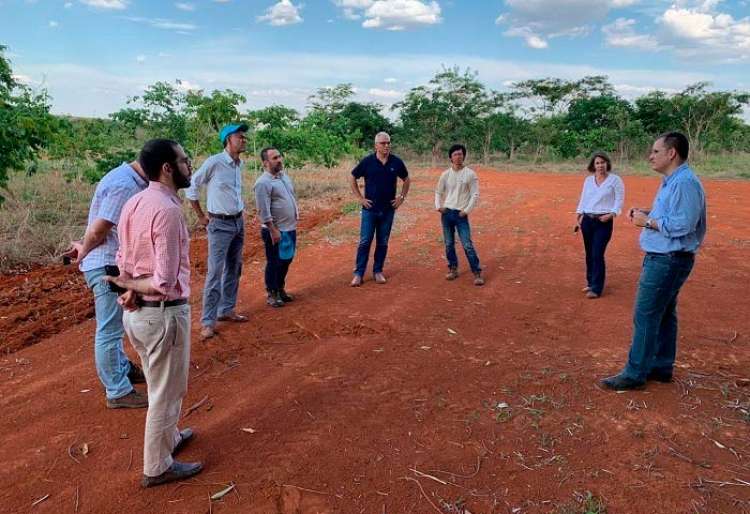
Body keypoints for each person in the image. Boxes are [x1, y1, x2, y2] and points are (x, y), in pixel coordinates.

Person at [106, 138, 203, 487]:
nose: (188, 165)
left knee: (161, 383)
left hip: (138, 316)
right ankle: (157, 466)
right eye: (184, 160)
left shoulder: (133, 203)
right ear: (167, 168)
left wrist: (129, 286)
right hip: (163, 315)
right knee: (166, 391)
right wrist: (127, 286)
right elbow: (163, 281)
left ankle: (170, 437)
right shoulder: (169, 211)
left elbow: (123, 261)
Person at [601, 132, 706, 391]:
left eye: (656, 151)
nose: (650, 156)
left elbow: (684, 223)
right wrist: (648, 213)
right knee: (664, 313)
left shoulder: (684, 183)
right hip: (666, 257)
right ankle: (661, 366)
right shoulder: (672, 181)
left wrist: (647, 222)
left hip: (668, 259)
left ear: (671, 153)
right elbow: (672, 214)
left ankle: (635, 373)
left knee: (646, 315)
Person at [63, 158, 149, 409]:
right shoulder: (125, 185)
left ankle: (121, 369)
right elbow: (100, 229)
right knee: (110, 329)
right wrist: (84, 251)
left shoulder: (125, 178)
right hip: (106, 265)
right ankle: (117, 390)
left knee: (116, 324)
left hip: (107, 261)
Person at [186, 123, 249, 340]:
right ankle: (207, 321)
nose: (244, 140)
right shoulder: (215, 162)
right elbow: (192, 186)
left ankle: (227, 309)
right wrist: (201, 216)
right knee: (215, 272)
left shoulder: (238, 164)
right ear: (228, 140)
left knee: (235, 267)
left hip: (238, 222)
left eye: (244, 137)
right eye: (240, 137)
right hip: (219, 224)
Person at [349, 132, 410, 286]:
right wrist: (360, 198)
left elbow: (406, 179)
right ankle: (358, 273)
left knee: (382, 242)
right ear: (376, 145)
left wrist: (401, 198)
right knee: (365, 241)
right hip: (370, 210)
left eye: (388, 142)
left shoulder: (396, 162)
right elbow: (352, 177)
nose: (387, 145)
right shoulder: (368, 162)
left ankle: (378, 271)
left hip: (388, 210)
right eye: (383, 143)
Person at [574, 151, 625, 299]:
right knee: (589, 253)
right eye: (597, 163)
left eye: (603, 162)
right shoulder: (589, 180)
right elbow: (583, 199)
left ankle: (596, 288)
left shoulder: (615, 180)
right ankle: (590, 282)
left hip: (604, 221)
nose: (600, 165)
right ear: (593, 165)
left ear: (607, 163)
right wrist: (579, 216)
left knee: (597, 253)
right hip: (587, 220)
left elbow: (619, 200)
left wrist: (611, 214)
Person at [254, 147, 299, 307]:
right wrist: (273, 230)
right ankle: (272, 293)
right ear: (265, 163)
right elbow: (263, 210)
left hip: (289, 227)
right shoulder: (262, 183)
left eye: (279, 156)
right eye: (274, 158)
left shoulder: (283, 177)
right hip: (275, 230)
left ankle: (280, 289)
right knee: (274, 261)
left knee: (286, 259)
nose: (279, 160)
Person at [434, 144, 484, 285]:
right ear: (450, 157)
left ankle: (477, 272)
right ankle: (453, 269)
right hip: (447, 213)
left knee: (467, 244)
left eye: (461, 154)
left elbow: (475, 194)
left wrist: (466, 210)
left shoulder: (470, 174)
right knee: (449, 244)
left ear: (464, 156)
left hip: (461, 214)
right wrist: (438, 207)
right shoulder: (445, 174)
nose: (458, 157)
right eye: (455, 154)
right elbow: (438, 191)